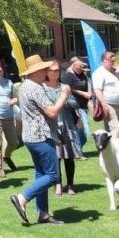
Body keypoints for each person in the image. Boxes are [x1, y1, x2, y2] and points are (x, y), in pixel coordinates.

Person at [10, 54, 71, 226]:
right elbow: (51, 112)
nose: (46, 71)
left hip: (30, 137)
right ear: (37, 71)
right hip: (41, 137)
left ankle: (43, 213)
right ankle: (22, 198)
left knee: (41, 174)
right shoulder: (35, 88)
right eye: (44, 69)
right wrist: (63, 95)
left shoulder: (25, 86)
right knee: (52, 175)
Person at [45, 61, 79, 196]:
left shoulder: (65, 87)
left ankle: (70, 185)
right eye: (52, 70)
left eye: (57, 70)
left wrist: (65, 101)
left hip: (67, 125)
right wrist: (59, 101)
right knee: (55, 157)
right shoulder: (43, 88)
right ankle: (57, 184)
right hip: (51, 126)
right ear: (47, 72)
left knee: (68, 157)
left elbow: (74, 102)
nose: (55, 73)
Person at [92, 51, 119, 137]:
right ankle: (114, 144)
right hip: (108, 104)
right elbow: (97, 90)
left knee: (116, 127)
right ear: (103, 61)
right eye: (110, 61)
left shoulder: (116, 71)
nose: (112, 63)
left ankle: (113, 146)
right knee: (115, 126)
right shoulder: (99, 73)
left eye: (113, 61)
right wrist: (104, 104)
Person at [61, 57, 91, 158]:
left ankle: (76, 150)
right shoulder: (67, 76)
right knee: (83, 131)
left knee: (83, 132)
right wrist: (82, 93)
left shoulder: (82, 75)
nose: (81, 67)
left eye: (82, 66)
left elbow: (87, 85)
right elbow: (68, 90)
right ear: (73, 65)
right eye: (79, 65)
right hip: (74, 107)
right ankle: (77, 152)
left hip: (83, 106)